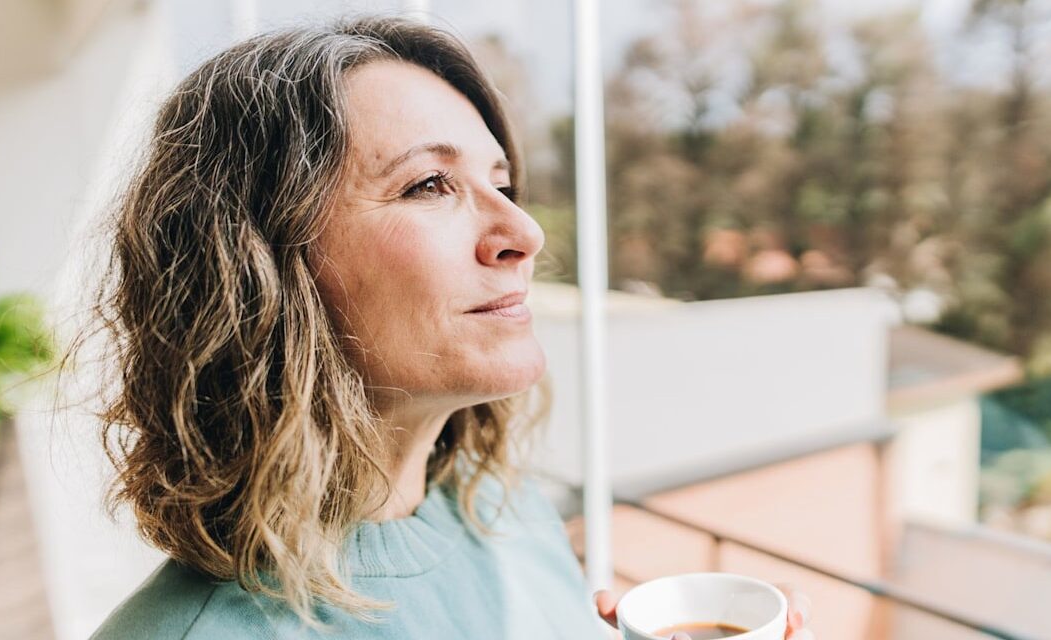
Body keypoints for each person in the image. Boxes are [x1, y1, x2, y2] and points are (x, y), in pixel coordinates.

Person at [81, 16, 812, 640]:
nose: (523, 232)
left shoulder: (503, 510)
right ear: (255, 265)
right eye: (429, 185)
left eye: (501, 184)